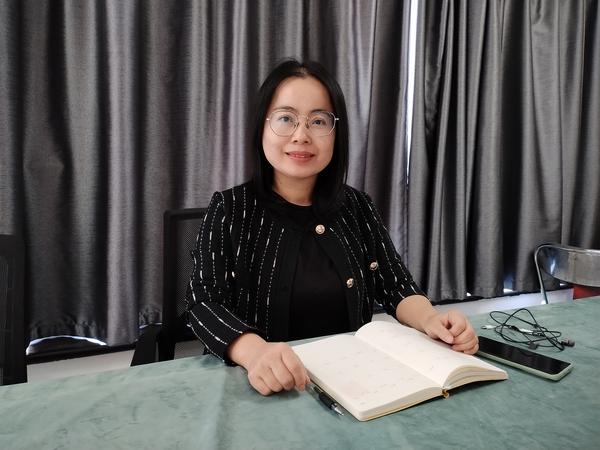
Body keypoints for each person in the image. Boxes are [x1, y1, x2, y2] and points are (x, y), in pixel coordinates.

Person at [185, 59, 478, 396]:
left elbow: (396, 285)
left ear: (336, 133)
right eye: (286, 118)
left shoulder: (357, 206)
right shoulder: (230, 208)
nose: (301, 135)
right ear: (262, 127)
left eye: (318, 121)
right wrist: (255, 353)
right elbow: (203, 303)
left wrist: (431, 320)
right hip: (260, 389)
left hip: (350, 386)